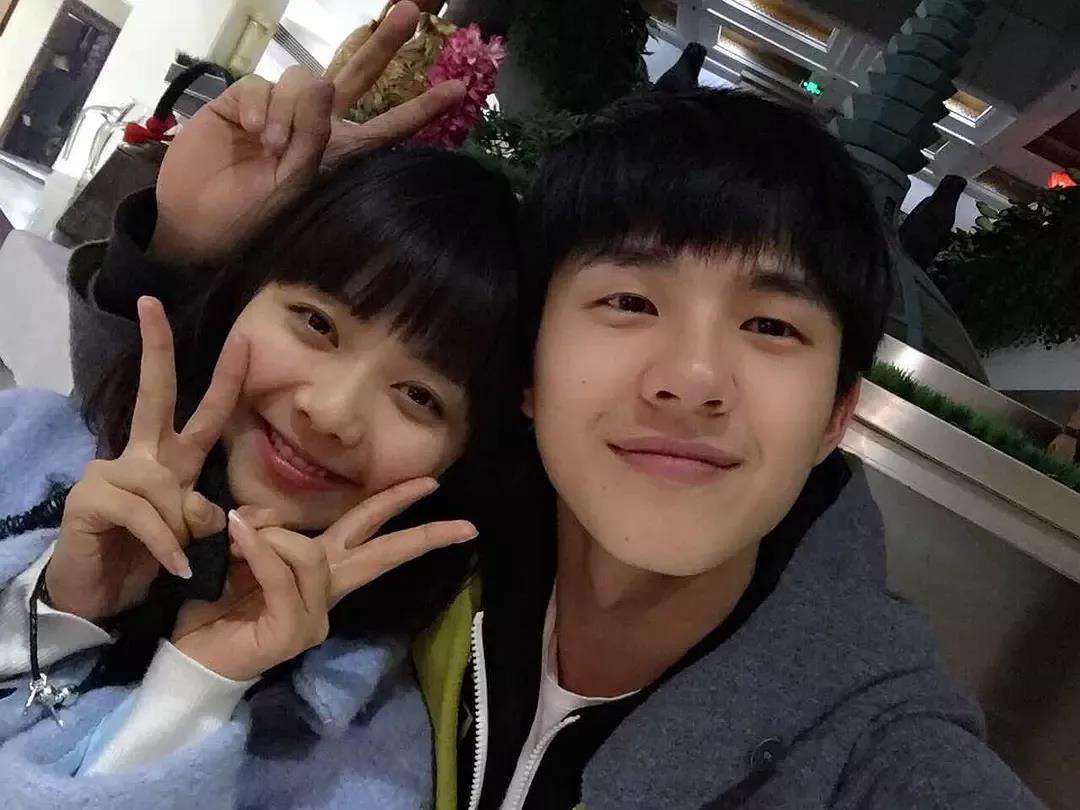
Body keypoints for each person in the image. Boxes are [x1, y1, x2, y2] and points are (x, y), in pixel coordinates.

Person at [53, 37, 1042, 810]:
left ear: (836, 418)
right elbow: (195, 469)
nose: (692, 380)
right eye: (629, 301)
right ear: (529, 372)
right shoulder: (434, 536)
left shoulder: (879, 754)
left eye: (772, 326)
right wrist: (197, 241)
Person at [0, 4, 523, 807]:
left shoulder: (370, 765)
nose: (332, 412)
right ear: (239, 297)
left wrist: (192, 692)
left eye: (420, 396)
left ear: (464, 459)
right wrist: (53, 609)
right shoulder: (23, 439)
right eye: (317, 323)